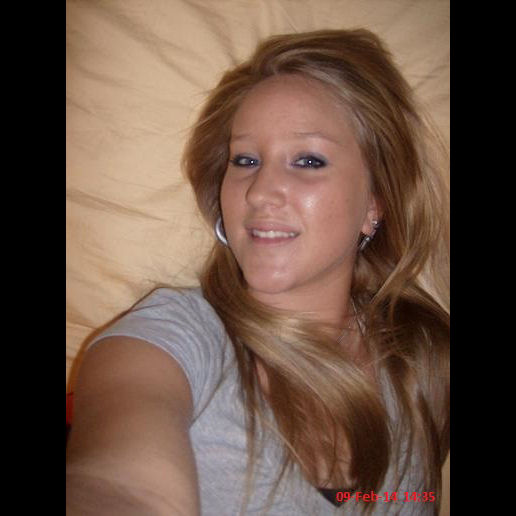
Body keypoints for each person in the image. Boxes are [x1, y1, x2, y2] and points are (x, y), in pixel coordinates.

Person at [66, 29, 449, 515]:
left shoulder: (425, 361)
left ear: (375, 202)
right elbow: (122, 488)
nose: (259, 191)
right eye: (245, 160)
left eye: (307, 160)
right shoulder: (171, 336)